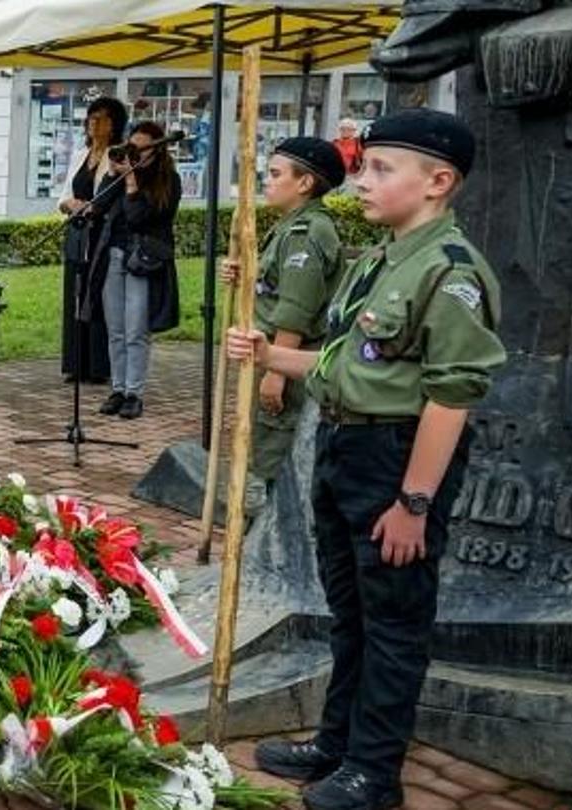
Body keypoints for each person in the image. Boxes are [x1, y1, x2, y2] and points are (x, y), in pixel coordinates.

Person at [233, 109, 504, 810]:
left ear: (438, 182)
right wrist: (269, 355)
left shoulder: (450, 274)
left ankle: (373, 772)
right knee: (349, 613)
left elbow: (451, 399)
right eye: (365, 164)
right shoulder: (383, 258)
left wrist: (413, 503)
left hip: (396, 460)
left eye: (382, 168)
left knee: (392, 622)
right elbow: (344, 363)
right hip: (345, 447)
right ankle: (339, 742)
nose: (361, 179)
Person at [220, 137, 346, 516]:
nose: (267, 181)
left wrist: (275, 371)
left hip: (287, 359)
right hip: (271, 352)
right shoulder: (289, 227)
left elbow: (297, 307)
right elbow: (276, 287)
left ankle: (267, 543)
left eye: (276, 174)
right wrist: (244, 276)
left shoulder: (306, 232)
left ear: (305, 183)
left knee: (272, 459)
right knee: (261, 447)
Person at [98, 120, 182, 420]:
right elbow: (99, 206)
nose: (135, 153)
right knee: (116, 330)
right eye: (131, 146)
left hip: (144, 261)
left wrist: (131, 182)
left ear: (157, 150)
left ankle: (134, 392)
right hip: (116, 256)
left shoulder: (168, 181)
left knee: (136, 330)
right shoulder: (122, 173)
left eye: (141, 148)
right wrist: (111, 174)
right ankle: (118, 389)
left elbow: (138, 218)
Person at [58, 96, 127, 385]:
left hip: (102, 235)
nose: (94, 123)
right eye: (91, 117)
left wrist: (91, 207)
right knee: (75, 294)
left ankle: (98, 365)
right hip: (78, 233)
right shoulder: (79, 155)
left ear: (114, 125)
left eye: (101, 118)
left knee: (97, 296)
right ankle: (76, 363)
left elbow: (111, 198)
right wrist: (71, 205)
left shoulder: (117, 156)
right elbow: (62, 196)